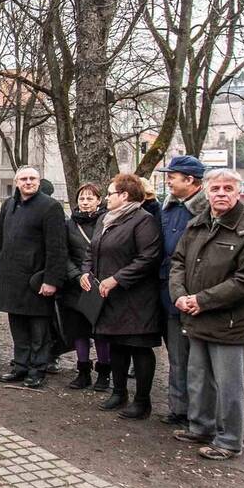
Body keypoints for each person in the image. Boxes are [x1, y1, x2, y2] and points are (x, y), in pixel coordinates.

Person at [170, 168, 244, 460]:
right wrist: (180, 296)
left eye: (228, 189)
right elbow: (178, 262)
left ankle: (228, 440)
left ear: (238, 193)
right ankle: (200, 426)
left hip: (228, 322)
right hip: (195, 315)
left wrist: (202, 300)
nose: (221, 194)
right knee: (198, 376)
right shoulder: (197, 225)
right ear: (207, 192)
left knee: (229, 384)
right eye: (216, 189)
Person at [79, 173, 162, 419]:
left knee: (138, 347)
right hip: (108, 297)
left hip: (136, 298)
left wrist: (117, 279)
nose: (107, 198)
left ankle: (142, 401)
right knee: (116, 346)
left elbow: (148, 258)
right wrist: (86, 272)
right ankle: (119, 392)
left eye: (110, 194)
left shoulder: (143, 221)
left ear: (124, 196)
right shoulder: (106, 219)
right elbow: (92, 250)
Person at [0, 166, 67, 388]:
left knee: (39, 330)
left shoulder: (50, 206)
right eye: (24, 179)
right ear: (17, 182)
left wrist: (51, 280)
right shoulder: (9, 205)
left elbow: (57, 247)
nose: (28, 182)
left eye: (33, 178)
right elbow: (1, 240)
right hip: (11, 279)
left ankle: (38, 369)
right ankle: (21, 366)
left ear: (39, 181)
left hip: (37, 280)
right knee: (17, 327)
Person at [155, 156, 207, 427]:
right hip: (168, 296)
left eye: (172, 176)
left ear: (190, 180)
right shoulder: (169, 208)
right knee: (177, 357)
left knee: (197, 362)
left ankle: (198, 414)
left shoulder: (207, 212)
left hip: (195, 298)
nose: (168, 180)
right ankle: (179, 409)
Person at [61, 183, 110, 390]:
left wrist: (95, 277)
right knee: (78, 331)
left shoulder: (107, 221)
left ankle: (104, 373)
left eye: (90, 198)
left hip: (100, 285)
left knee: (100, 332)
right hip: (76, 286)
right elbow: (63, 252)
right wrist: (76, 275)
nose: (85, 202)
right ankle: (82, 371)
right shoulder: (69, 224)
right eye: (82, 198)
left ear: (99, 201)